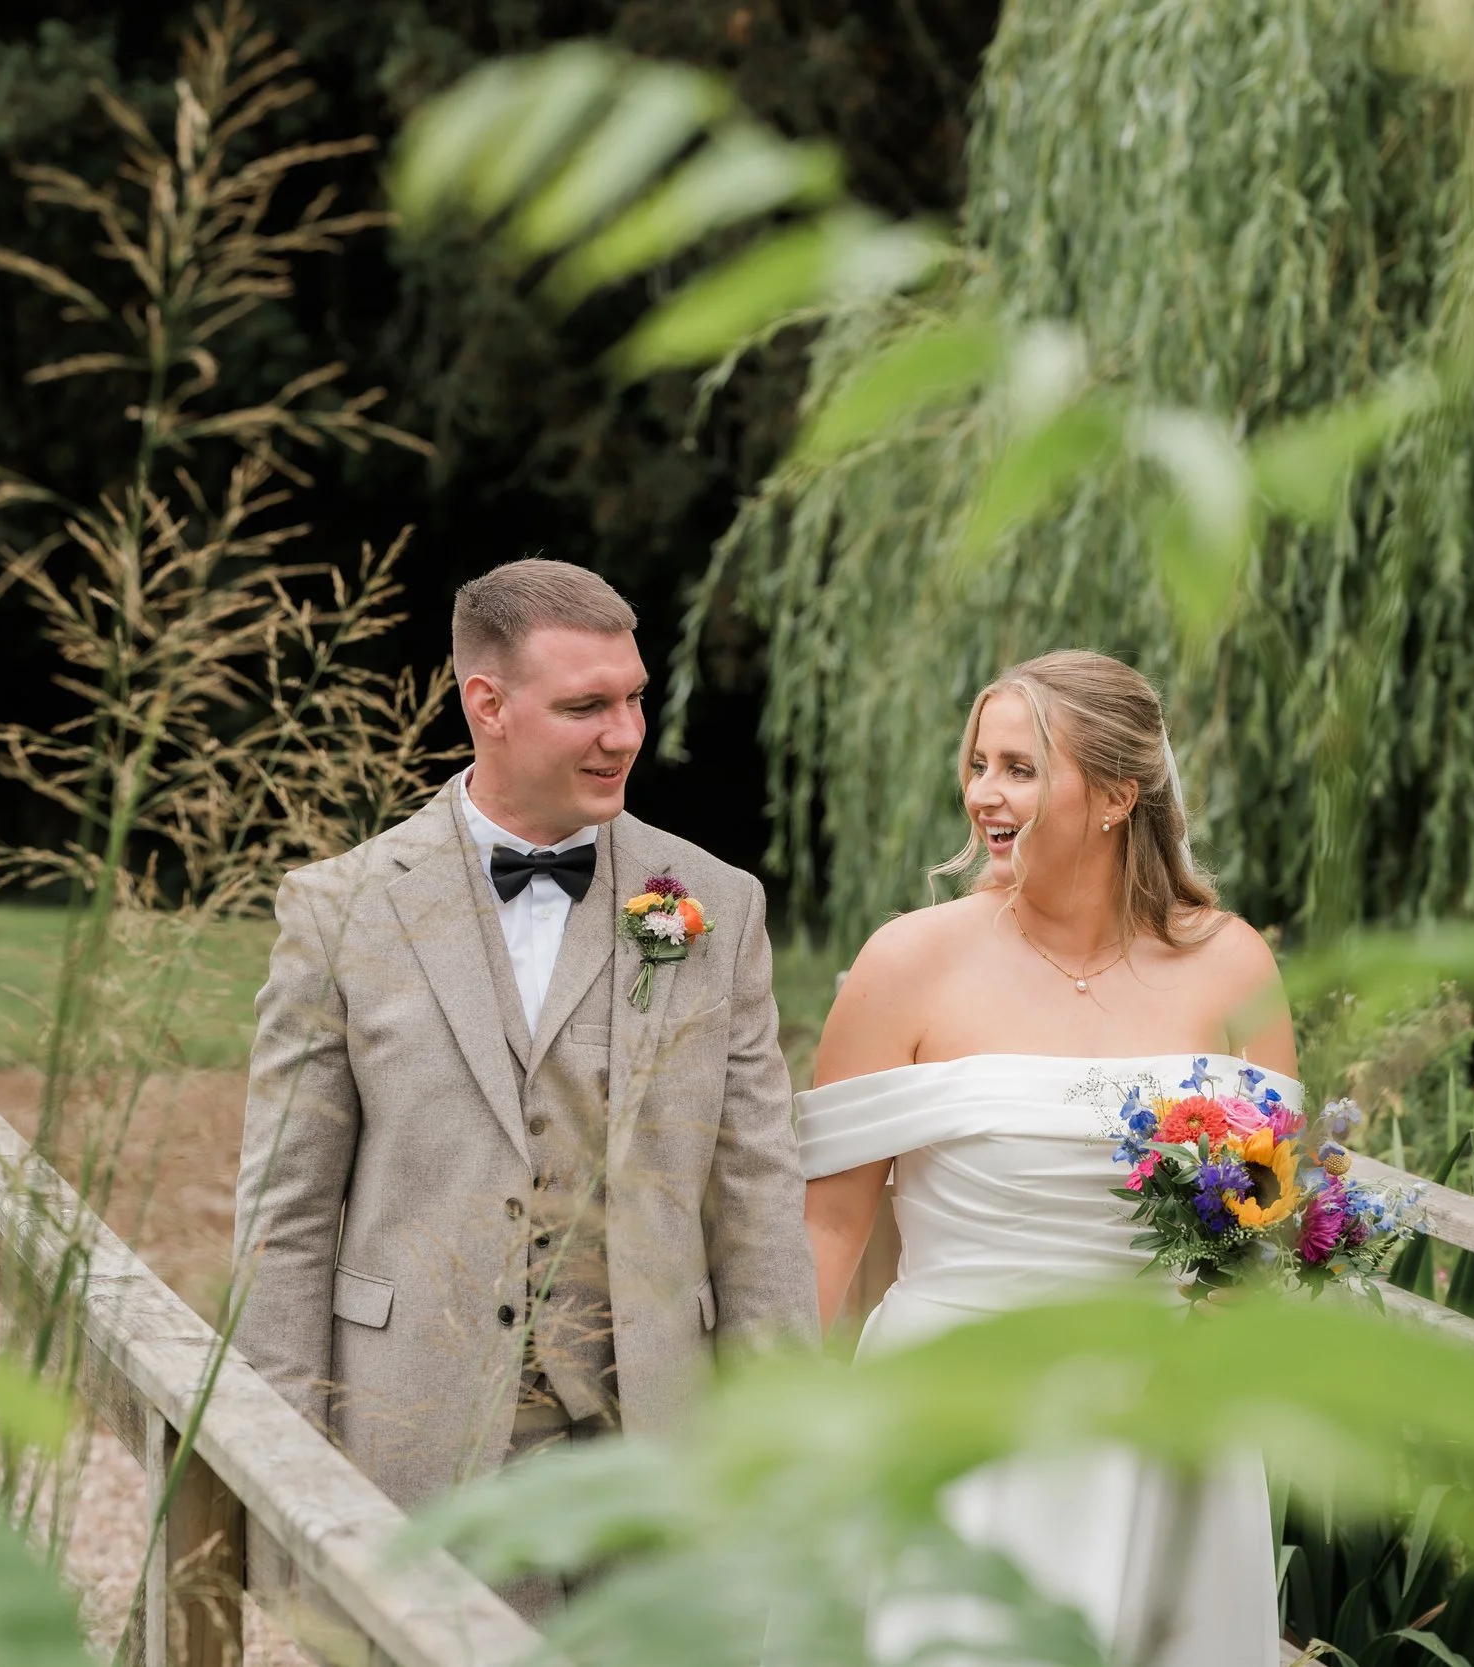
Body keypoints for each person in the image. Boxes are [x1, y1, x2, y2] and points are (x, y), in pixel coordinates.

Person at [232, 557, 817, 1615]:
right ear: (486, 704)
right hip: (418, 1429)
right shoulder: (339, 909)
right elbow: (287, 1214)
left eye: (633, 697)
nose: (626, 732)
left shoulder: (714, 905)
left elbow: (758, 1197)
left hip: (653, 1441)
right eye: (586, 705)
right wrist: (285, 1460)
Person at [798, 649, 1296, 1666]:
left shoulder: (1233, 961)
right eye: (979, 762)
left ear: (1117, 793)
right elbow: (829, 1223)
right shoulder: (907, 960)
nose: (985, 790)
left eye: (1020, 767)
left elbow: (1266, 1218)